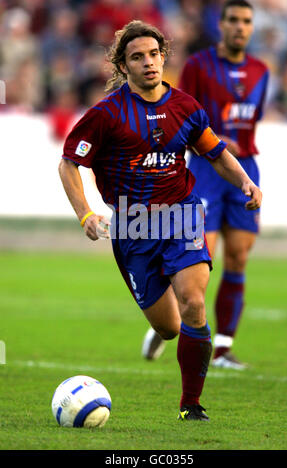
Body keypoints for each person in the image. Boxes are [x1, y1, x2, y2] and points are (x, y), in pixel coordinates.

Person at [59, 20, 262, 421]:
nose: (149, 63)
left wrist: (244, 182)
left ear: (163, 56)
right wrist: (84, 212)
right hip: (133, 228)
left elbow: (215, 153)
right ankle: (163, 332)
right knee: (172, 326)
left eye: (154, 54)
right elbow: (69, 164)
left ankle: (191, 405)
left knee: (194, 303)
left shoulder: (185, 107)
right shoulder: (105, 115)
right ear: (123, 65)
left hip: (183, 215)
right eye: (137, 57)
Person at [142, 0, 269, 369]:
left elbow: (253, 118)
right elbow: (185, 112)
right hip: (206, 170)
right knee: (202, 259)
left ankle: (224, 348)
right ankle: (170, 320)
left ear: (252, 26)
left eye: (246, 21)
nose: (240, 27)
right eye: (233, 20)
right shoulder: (198, 66)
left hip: (244, 167)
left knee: (238, 258)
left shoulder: (261, 70)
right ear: (222, 24)